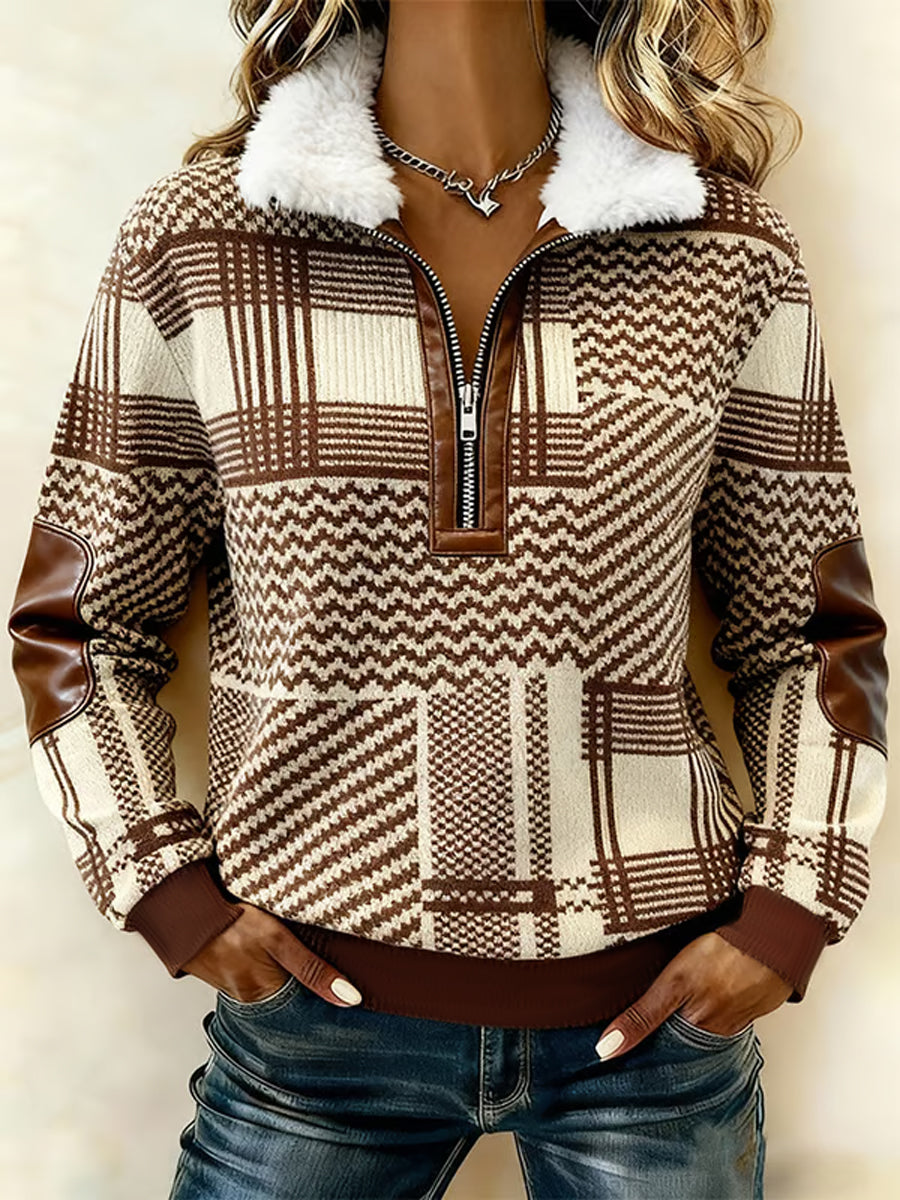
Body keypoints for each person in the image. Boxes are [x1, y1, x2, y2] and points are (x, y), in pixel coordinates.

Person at [6, 1, 889, 1197]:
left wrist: (788, 916)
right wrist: (163, 887)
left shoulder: (723, 247)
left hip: (654, 1028)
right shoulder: (204, 240)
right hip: (311, 1037)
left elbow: (812, 632)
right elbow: (80, 622)